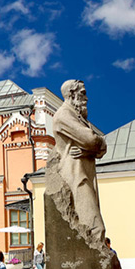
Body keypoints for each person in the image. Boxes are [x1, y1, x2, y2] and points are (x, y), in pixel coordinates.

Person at [52, 80, 108, 244]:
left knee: (93, 229)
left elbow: (100, 147)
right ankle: (95, 266)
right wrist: (96, 144)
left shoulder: (78, 117)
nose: (87, 98)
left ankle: (97, 264)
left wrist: (90, 149)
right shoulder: (63, 116)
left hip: (84, 174)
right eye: (83, 93)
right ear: (71, 94)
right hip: (76, 176)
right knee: (95, 227)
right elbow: (91, 140)